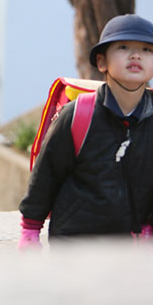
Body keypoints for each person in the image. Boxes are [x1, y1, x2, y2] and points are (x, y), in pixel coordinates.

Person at [18, 14, 153, 249]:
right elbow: (46, 175)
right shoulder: (78, 114)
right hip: (76, 245)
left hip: (135, 247)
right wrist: (30, 229)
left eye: (146, 49)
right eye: (123, 47)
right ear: (101, 62)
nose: (136, 55)